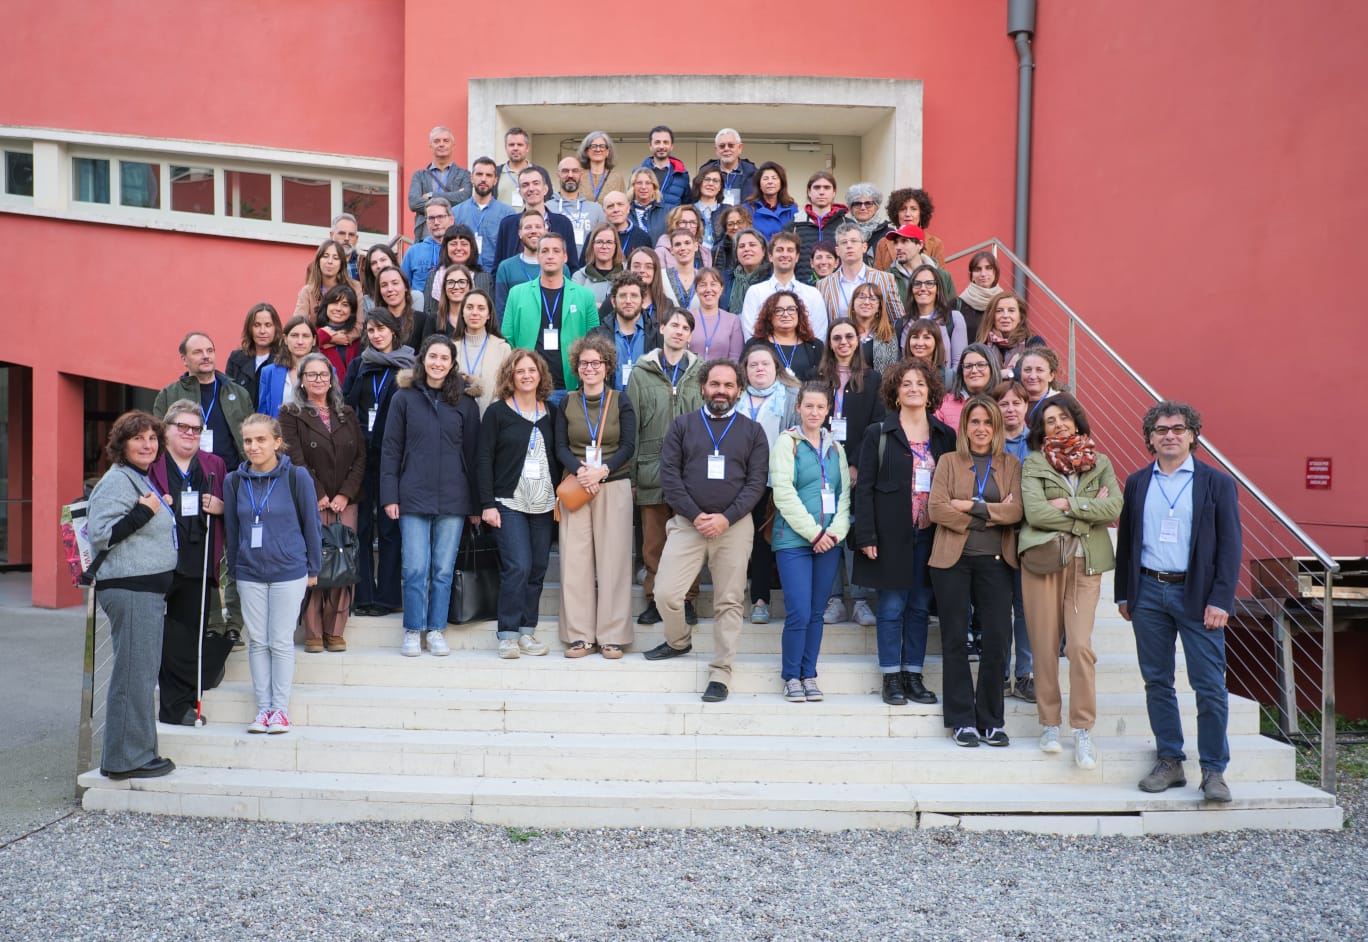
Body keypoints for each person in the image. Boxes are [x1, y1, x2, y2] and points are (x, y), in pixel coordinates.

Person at [1116, 401, 1241, 803]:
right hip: (1149, 591)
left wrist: (1221, 598)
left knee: (1208, 686)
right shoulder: (1137, 482)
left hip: (1199, 595)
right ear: (1150, 438)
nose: (1169, 434)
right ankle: (1170, 759)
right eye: (1161, 429)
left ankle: (1213, 770)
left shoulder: (1215, 483)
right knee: (1157, 681)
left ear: (1192, 435)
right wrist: (1124, 592)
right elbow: (1128, 541)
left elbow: (1230, 546)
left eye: (1178, 428)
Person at [643, 359, 769, 705]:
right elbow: (669, 476)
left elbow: (756, 483)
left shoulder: (753, 432)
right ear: (702, 387)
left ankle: (721, 671)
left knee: (728, 600)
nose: (721, 391)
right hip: (688, 524)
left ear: (739, 391)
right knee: (666, 593)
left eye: (729, 386)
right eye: (715, 384)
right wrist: (697, 515)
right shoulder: (682, 426)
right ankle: (678, 641)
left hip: (734, 526)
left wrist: (725, 518)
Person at [1019, 393, 1123, 769]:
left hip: (1085, 564)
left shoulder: (1101, 462)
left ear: (1076, 421)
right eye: (1050, 420)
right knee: (1044, 646)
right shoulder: (1033, 464)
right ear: (1040, 429)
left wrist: (1068, 506)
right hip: (1045, 562)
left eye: (1064, 417)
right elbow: (1035, 513)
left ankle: (1082, 730)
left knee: (1079, 646)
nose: (1058, 424)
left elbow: (1114, 507)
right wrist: (1087, 512)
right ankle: (1049, 724)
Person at [852, 359, 954, 705]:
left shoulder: (945, 436)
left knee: (921, 607)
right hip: (890, 534)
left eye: (920, 383)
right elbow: (863, 488)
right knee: (892, 606)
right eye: (906, 383)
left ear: (930, 392)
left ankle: (913, 673)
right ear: (895, 391)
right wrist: (865, 535)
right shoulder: (879, 433)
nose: (913, 388)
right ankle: (891, 677)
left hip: (931, 535)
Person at [928, 396, 1024, 747]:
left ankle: (990, 720)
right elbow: (937, 509)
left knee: (998, 639)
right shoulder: (949, 461)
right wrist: (989, 515)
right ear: (964, 427)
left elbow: (1018, 512)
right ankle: (961, 720)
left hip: (997, 563)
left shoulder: (1011, 464)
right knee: (954, 639)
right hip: (952, 562)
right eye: (974, 422)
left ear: (996, 428)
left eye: (987, 423)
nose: (981, 429)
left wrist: (970, 507)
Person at [88, 411, 179, 779]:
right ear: (121, 445)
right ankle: (127, 760)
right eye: (138, 438)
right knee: (133, 676)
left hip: (143, 590)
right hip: (130, 589)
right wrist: (145, 512)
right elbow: (102, 534)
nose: (147, 444)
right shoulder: (117, 481)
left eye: (153, 438)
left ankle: (137, 752)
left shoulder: (138, 478)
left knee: (139, 674)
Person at [381, 335, 482, 658]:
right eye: (432, 357)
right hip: (412, 496)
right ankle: (413, 629)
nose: (438, 363)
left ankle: (436, 629)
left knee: (442, 568)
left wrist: (477, 504)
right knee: (414, 567)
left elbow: (474, 456)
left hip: (454, 498)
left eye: (444, 358)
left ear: (452, 364)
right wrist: (389, 496)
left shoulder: (465, 403)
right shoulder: (404, 398)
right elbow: (390, 449)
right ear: (422, 359)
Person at [225, 413, 321, 735]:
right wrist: (236, 572)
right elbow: (233, 530)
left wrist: (314, 568)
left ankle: (280, 711)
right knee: (257, 642)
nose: (253, 446)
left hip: (289, 570)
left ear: (277, 442)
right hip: (250, 573)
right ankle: (262, 710)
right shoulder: (234, 481)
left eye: (261, 439)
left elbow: (312, 524)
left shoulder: (298, 477)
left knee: (279, 642)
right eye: (248, 440)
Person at [554, 334, 637, 658]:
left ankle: (612, 635)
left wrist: (602, 471)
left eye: (596, 363)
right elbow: (560, 445)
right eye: (584, 363)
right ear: (576, 367)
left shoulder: (621, 400)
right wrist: (580, 470)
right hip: (576, 487)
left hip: (613, 483)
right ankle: (579, 636)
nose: (590, 368)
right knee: (575, 563)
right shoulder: (567, 402)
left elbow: (629, 445)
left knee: (614, 561)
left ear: (607, 366)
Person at [279, 353, 366, 654]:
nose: (319, 380)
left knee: (343, 562)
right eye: (312, 374)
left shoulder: (347, 412)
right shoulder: (290, 413)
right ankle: (313, 631)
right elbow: (293, 457)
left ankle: (335, 630)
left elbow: (360, 458)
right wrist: (317, 494)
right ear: (301, 380)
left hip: (345, 502)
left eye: (324, 374)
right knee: (315, 564)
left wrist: (345, 494)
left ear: (332, 379)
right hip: (310, 500)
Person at [771, 381, 852, 702]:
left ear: (828, 409)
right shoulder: (786, 443)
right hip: (794, 541)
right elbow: (783, 493)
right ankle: (791, 676)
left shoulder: (836, 448)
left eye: (820, 406)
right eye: (809, 406)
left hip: (829, 542)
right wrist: (814, 533)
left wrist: (834, 533)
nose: (814, 412)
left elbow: (844, 495)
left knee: (817, 612)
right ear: (799, 407)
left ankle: (809, 674)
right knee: (799, 612)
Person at [149, 400, 227, 726]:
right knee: (160, 632)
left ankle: (178, 707)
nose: (190, 434)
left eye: (196, 429)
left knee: (189, 635)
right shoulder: (151, 463)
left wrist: (221, 507)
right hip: (158, 562)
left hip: (198, 560)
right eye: (182, 427)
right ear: (165, 431)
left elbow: (231, 509)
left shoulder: (214, 465)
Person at [477, 350, 560, 658]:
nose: (526, 375)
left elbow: (559, 452)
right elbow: (484, 459)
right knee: (518, 565)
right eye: (519, 371)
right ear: (510, 376)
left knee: (537, 568)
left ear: (541, 375)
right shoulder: (498, 412)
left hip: (543, 503)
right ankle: (508, 633)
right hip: (508, 501)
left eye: (531, 370)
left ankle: (527, 631)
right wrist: (486, 503)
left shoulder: (552, 412)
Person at [627, 308, 704, 626]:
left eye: (685, 327)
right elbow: (631, 426)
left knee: (688, 540)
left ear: (689, 335)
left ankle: (686, 599)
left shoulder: (701, 372)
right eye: (674, 325)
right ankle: (654, 598)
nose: (678, 331)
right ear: (661, 328)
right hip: (651, 466)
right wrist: (631, 475)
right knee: (654, 542)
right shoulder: (641, 372)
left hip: (690, 472)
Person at [342, 310, 414, 617]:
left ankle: (387, 597)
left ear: (394, 331)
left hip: (394, 458)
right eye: (370, 330)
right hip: (361, 456)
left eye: (382, 329)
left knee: (389, 528)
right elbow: (345, 404)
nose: (376, 335)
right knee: (362, 528)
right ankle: (363, 596)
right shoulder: (360, 365)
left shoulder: (410, 365)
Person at [815, 318, 885, 627]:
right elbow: (810, 417)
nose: (843, 342)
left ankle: (858, 601)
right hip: (821, 465)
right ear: (829, 343)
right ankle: (833, 600)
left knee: (854, 529)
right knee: (827, 527)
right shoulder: (816, 377)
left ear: (858, 341)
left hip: (859, 466)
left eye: (849, 336)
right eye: (836, 337)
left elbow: (876, 423)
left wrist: (856, 463)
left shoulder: (872, 379)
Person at [737, 344, 799, 625]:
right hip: (740, 483)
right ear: (745, 370)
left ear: (777, 368)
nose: (759, 369)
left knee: (770, 543)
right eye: (753, 365)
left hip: (777, 482)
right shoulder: (734, 397)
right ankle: (747, 598)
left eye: (765, 364)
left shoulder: (790, 398)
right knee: (744, 543)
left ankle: (770, 600)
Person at [500, 233, 600, 404]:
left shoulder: (585, 296)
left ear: (565, 257)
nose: (550, 255)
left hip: (570, 389)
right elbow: (507, 340)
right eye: (545, 251)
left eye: (556, 250)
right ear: (537, 256)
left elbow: (595, 342)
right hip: (529, 389)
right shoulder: (517, 293)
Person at [154, 331, 253, 472]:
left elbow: (251, 434)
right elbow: (160, 438)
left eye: (210, 351)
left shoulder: (239, 393)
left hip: (231, 476)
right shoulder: (168, 394)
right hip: (186, 474)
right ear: (184, 359)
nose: (206, 356)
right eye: (198, 352)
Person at [993, 378, 1034, 699]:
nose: (1010, 409)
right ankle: (998, 672)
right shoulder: (986, 441)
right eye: (1003, 403)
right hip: (994, 535)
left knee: (1025, 608)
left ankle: (1025, 673)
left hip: (1030, 536)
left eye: (1016, 403)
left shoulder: (1039, 444)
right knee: (996, 608)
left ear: (1026, 406)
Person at [740, 231, 828, 340]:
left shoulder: (812, 294)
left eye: (790, 250)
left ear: (797, 257)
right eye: (779, 250)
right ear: (770, 256)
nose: (785, 255)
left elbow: (819, 336)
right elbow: (750, 335)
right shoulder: (755, 292)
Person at [492, 166, 580, 270]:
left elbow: (572, 266)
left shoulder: (563, 224)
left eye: (536, 183)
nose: (531, 188)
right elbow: (498, 267)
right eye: (525, 185)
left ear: (545, 189)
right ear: (520, 192)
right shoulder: (507, 225)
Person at [818, 222, 905, 322]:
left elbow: (897, 320)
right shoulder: (823, 285)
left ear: (864, 247)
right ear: (837, 251)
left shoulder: (885, 279)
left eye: (854, 241)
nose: (849, 246)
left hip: (875, 336)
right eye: (844, 242)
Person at [590, 272, 661, 391]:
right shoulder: (597, 335)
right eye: (623, 295)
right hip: (610, 404)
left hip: (646, 405)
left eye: (634, 295)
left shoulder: (657, 333)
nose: (628, 301)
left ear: (642, 300)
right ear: (613, 301)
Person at [448, 289, 510, 414]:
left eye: (481, 308)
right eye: (469, 307)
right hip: (456, 417)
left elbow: (507, 387)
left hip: (491, 418)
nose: (474, 313)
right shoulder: (450, 347)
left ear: (489, 315)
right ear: (462, 313)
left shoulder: (502, 348)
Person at [451, 156, 516, 274]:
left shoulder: (508, 214)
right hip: (464, 277)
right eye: (479, 174)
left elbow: (510, 251)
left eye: (489, 175)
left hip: (495, 277)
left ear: (495, 180)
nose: (483, 179)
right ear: (471, 178)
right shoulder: (455, 212)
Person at [407, 125, 471, 241]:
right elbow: (414, 203)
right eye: (437, 141)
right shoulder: (419, 175)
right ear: (431, 147)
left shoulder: (465, 175)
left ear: (452, 145)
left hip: (454, 239)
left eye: (446, 141)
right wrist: (453, 197)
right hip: (425, 239)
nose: (441, 144)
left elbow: (465, 199)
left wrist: (432, 195)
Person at [902, 262, 967, 374]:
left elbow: (959, 363)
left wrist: (946, 388)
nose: (923, 288)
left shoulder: (954, 319)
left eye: (929, 283)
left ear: (938, 289)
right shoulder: (902, 323)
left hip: (945, 388)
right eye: (917, 284)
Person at [746, 290, 824, 382]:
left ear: (799, 313)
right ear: (769, 315)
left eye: (791, 309)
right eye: (778, 310)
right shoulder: (754, 344)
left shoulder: (815, 345)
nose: (786, 314)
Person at [787, 171, 848, 282]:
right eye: (817, 188)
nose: (821, 192)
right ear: (809, 192)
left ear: (834, 192)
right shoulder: (793, 226)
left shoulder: (847, 225)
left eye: (826, 188)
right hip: (802, 288)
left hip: (839, 288)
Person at [256, 316, 319, 418]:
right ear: (285, 339)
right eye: (294, 335)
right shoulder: (269, 373)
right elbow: (263, 413)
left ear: (314, 340)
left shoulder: (327, 371)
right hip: (279, 432)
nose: (300, 341)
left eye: (306, 336)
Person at [976, 291, 1043, 380]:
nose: (1005, 315)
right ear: (992, 316)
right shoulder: (981, 345)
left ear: (1020, 317)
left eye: (1011, 310)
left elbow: (1039, 371)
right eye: (999, 311)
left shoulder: (1033, 342)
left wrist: (1009, 373)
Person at [226, 303, 283, 407]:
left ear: (276, 328)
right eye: (256, 325)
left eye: (268, 325)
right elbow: (228, 396)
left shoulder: (284, 360)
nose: (262, 331)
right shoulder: (236, 359)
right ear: (249, 328)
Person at [549, 155, 608, 257]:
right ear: (558, 175)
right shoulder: (547, 208)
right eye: (565, 171)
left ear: (581, 175)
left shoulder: (596, 209)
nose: (570, 175)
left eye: (575, 171)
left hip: (587, 269)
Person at [873, 188, 945, 268]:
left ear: (921, 213)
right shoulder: (883, 244)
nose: (907, 214)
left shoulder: (935, 243)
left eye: (913, 209)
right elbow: (878, 276)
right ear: (896, 213)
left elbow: (941, 277)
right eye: (903, 209)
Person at [292, 239, 362, 321]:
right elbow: (298, 323)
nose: (330, 261)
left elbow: (358, 324)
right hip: (317, 333)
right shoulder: (307, 291)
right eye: (325, 256)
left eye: (336, 258)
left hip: (346, 333)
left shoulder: (354, 287)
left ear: (341, 264)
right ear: (318, 261)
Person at [937, 342, 1001, 431]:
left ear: (992, 368)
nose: (974, 370)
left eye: (981, 365)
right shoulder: (944, 404)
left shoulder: (1004, 402)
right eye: (968, 366)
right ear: (961, 371)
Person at [494, 211, 548, 316]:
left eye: (538, 227)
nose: (533, 231)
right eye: (528, 227)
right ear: (520, 233)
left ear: (545, 231)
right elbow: (501, 311)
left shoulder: (559, 267)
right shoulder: (506, 268)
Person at [401, 198, 453, 301]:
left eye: (440, 217)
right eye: (431, 218)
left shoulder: (460, 250)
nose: (436, 222)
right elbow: (403, 287)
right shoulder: (413, 251)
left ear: (451, 220)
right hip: (419, 311)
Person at [688, 268, 745, 361]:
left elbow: (735, 359)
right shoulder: (687, 318)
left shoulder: (733, 321)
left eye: (713, 284)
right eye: (702, 285)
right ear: (696, 290)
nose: (708, 289)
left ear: (721, 289)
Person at [431, 225, 495, 306]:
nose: (458, 248)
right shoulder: (433, 277)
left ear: (471, 248)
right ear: (445, 248)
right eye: (453, 244)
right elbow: (428, 311)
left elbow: (489, 312)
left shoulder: (484, 278)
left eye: (464, 244)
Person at [846, 283, 900, 375]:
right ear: (853, 303)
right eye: (861, 297)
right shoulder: (843, 332)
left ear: (879, 307)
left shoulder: (888, 335)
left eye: (873, 299)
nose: (866, 302)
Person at [698, 128, 756, 206]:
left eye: (731, 145)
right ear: (716, 150)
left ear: (740, 148)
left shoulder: (753, 173)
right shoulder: (705, 173)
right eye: (722, 146)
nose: (726, 149)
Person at [315, 284, 362, 379]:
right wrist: (325, 336)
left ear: (351, 310)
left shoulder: (356, 339)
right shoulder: (313, 333)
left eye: (345, 305)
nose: (338, 309)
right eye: (334, 303)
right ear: (326, 305)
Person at [572, 222, 625, 305]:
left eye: (609, 242)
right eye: (599, 242)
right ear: (592, 245)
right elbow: (575, 307)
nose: (604, 246)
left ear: (616, 246)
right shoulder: (579, 277)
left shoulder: (627, 274)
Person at [373, 265, 424, 352]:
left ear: (406, 287)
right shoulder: (373, 321)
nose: (390, 289)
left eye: (395, 283)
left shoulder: (423, 320)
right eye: (384, 285)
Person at [956, 250, 1003, 343]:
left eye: (988, 268)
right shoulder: (957, 304)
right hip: (967, 356)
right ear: (972, 275)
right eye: (978, 269)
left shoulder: (1004, 302)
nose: (983, 274)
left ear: (995, 272)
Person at [744, 161, 799, 240]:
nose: (770, 182)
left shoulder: (792, 208)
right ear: (759, 184)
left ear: (781, 183)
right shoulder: (748, 208)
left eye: (774, 178)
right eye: (765, 179)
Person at [638, 124, 690, 208]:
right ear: (650, 146)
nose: (661, 146)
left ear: (671, 146)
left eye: (665, 142)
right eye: (657, 142)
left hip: (672, 221)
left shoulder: (682, 175)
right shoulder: (638, 174)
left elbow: (686, 206)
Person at [654, 204, 713, 273]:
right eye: (683, 222)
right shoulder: (661, 251)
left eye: (693, 222)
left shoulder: (705, 253)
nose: (688, 226)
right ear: (673, 224)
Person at [495, 127, 546, 208]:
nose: (515, 148)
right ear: (506, 147)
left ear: (527, 148)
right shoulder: (495, 173)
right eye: (511, 145)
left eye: (520, 145)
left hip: (532, 220)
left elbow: (548, 201)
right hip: (503, 220)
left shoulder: (540, 172)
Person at [725, 227, 770, 316]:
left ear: (764, 250)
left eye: (752, 245)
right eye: (741, 246)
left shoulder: (772, 280)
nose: (746, 249)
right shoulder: (725, 280)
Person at [844, 182, 889, 263]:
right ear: (851, 208)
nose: (863, 208)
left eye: (868, 203)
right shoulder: (842, 232)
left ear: (876, 207)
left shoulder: (887, 233)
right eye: (857, 204)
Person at [577, 131, 625, 205]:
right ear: (586, 151)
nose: (598, 149)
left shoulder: (617, 178)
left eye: (602, 146)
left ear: (608, 152)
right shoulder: (578, 175)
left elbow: (622, 204)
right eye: (593, 146)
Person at [687, 166, 726, 254]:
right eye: (707, 179)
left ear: (720, 187)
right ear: (699, 183)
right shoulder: (687, 211)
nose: (711, 183)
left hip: (722, 263)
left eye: (716, 181)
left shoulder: (728, 211)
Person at [602, 190, 653, 256]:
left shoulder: (643, 237)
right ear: (604, 212)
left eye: (620, 204)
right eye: (610, 206)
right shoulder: (595, 237)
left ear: (628, 208)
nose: (616, 210)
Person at [1020, 346, 1064, 422]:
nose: (1032, 376)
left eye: (1039, 370)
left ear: (1051, 375)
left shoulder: (1062, 404)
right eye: (1027, 370)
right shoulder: (1012, 402)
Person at [900, 317, 947, 387]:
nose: (920, 343)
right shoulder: (898, 375)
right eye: (915, 337)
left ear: (936, 342)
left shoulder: (948, 377)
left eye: (926, 337)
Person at [627, 167, 670, 244]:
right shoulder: (625, 212)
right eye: (639, 183)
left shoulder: (667, 212)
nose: (643, 187)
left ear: (654, 187)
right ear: (633, 187)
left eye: (648, 183)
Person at [360, 244, 399, 310]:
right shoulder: (366, 301)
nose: (379, 266)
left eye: (383, 260)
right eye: (374, 263)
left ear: (393, 262)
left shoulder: (414, 297)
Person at [329, 212, 362, 280]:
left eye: (351, 235)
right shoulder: (320, 264)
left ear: (356, 239)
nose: (347, 238)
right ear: (332, 235)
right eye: (342, 233)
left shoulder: (364, 264)